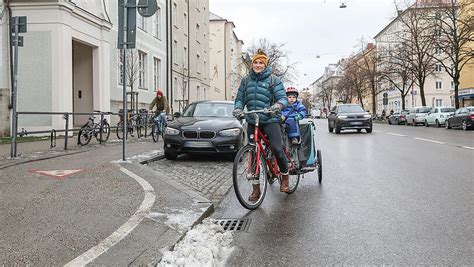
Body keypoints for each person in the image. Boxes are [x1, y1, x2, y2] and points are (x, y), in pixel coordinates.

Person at [232, 49, 289, 201]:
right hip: (252, 120)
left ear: (265, 65)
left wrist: (277, 105)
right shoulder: (245, 81)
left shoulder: (273, 80)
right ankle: (256, 188)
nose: (257, 65)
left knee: (277, 148)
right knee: (253, 153)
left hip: (270, 120)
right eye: (255, 62)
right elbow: (240, 98)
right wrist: (238, 108)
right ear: (252, 64)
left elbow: (283, 98)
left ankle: (285, 176)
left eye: (260, 63)